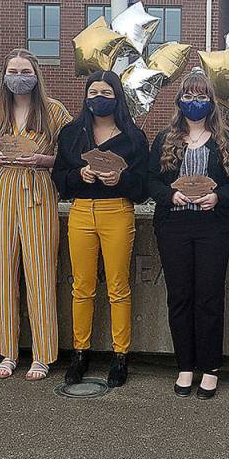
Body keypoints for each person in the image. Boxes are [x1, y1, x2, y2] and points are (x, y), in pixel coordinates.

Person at [0, 49, 72, 381]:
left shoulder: (54, 110)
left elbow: (69, 157)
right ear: (4, 75)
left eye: (25, 71)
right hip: (2, 187)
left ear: (36, 74)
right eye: (13, 71)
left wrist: (43, 160)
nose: (19, 77)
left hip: (37, 187)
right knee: (0, 268)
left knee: (40, 269)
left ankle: (43, 353)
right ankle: (7, 350)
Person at [147, 70, 229, 399]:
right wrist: (169, 195)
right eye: (188, 96)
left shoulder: (226, 140)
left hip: (212, 227)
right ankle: (185, 366)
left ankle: (210, 368)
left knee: (209, 298)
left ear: (211, 102)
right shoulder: (165, 139)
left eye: (201, 96)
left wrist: (219, 197)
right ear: (179, 101)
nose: (195, 102)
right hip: (173, 226)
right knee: (180, 298)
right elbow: (150, 180)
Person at [52, 70, 148, 387]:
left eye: (106, 93)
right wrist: (78, 175)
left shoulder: (133, 137)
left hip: (117, 211)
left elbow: (143, 186)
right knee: (82, 287)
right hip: (81, 211)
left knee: (118, 287)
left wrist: (121, 179)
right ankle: (80, 352)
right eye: (93, 92)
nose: (99, 98)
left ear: (117, 97)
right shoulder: (71, 133)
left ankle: (121, 355)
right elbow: (59, 177)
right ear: (85, 96)